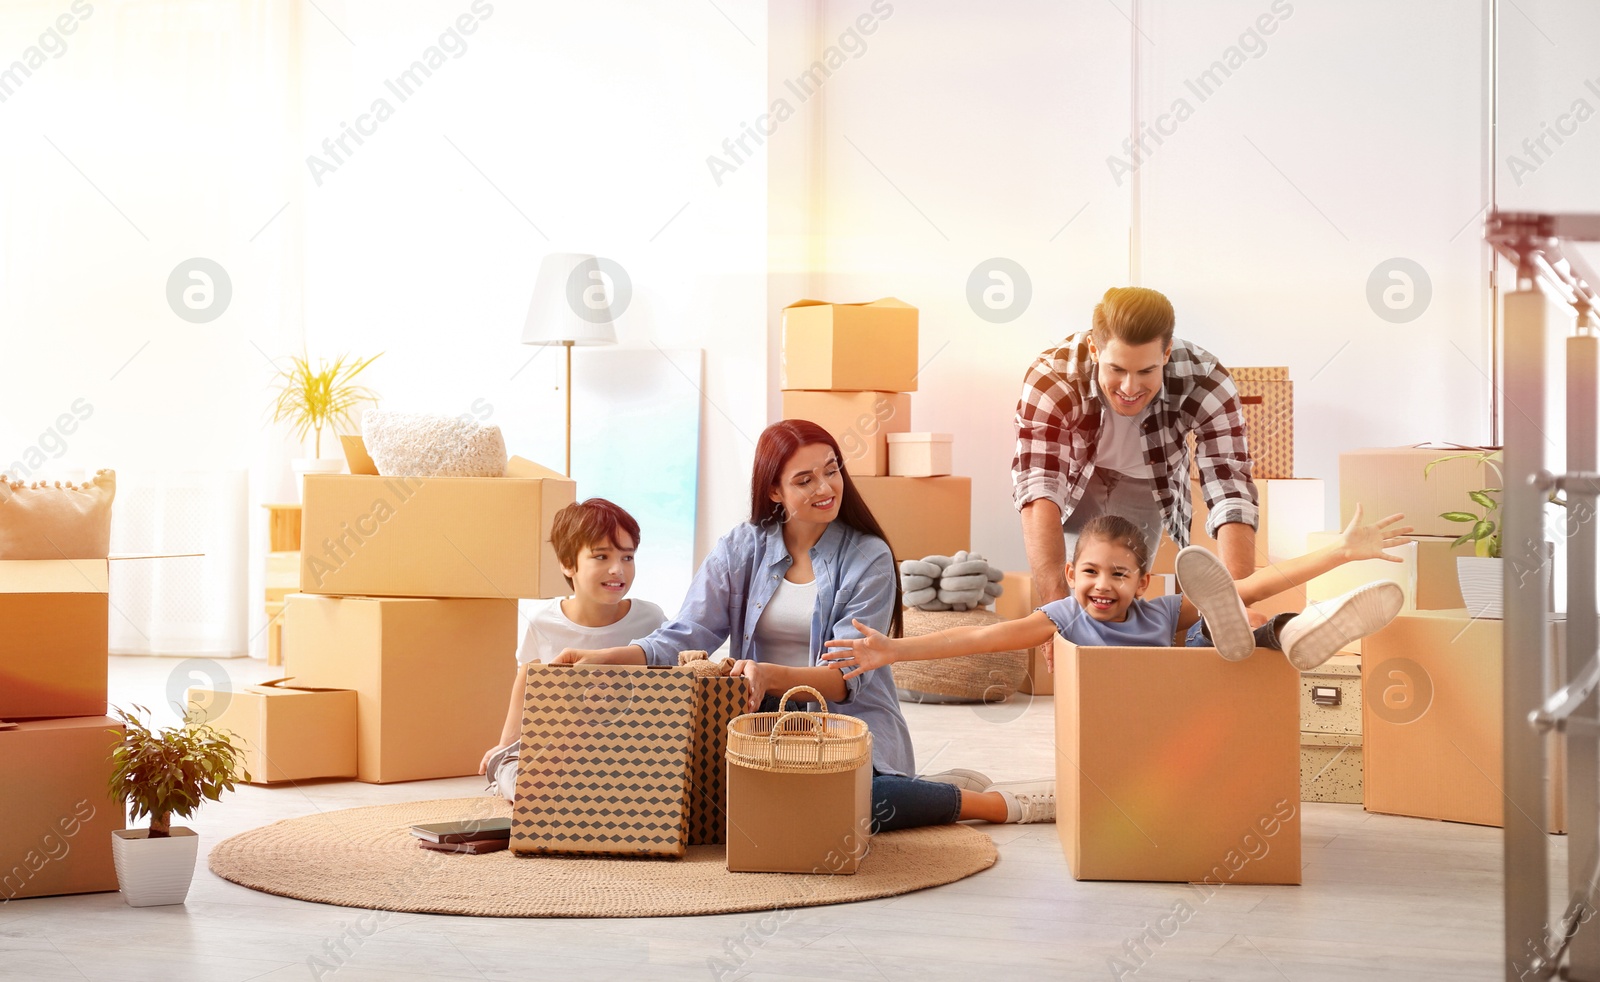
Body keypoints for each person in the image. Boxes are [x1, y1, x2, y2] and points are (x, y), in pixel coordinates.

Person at [554, 419, 1056, 827]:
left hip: (843, 723)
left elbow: (843, 679)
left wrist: (770, 674)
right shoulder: (741, 547)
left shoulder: (868, 557)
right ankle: (911, 794)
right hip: (758, 719)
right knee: (708, 802)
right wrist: (605, 656)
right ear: (773, 490)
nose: (826, 487)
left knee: (844, 808)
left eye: (831, 470)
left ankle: (988, 804)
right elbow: (685, 635)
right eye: (804, 479)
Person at [823, 508, 1412, 676]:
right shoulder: (1063, 620)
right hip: (1149, 711)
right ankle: (1249, 635)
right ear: (1072, 574)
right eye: (1090, 572)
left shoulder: (1159, 610)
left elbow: (1258, 579)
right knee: (1222, 616)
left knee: (1240, 609)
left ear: (1143, 583)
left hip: (1197, 685)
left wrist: (1339, 552)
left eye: (1118, 575)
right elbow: (981, 635)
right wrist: (892, 651)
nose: (1102, 586)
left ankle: (1293, 633)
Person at [1013, 286, 1262, 621]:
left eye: (1146, 372)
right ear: (1094, 349)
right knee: (1077, 604)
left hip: (1145, 482)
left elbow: (1230, 487)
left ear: (1166, 353)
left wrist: (1236, 607)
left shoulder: (1205, 379)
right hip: (1077, 481)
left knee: (1123, 601)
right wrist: (1055, 615)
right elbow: (1039, 486)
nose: (1130, 389)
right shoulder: (1053, 376)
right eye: (1117, 370)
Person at [478, 497, 666, 800]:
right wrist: (507, 743)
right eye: (601, 557)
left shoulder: (651, 619)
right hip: (561, 751)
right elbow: (526, 677)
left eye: (627, 557)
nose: (618, 569)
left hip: (627, 751)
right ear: (568, 564)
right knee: (512, 770)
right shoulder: (544, 621)